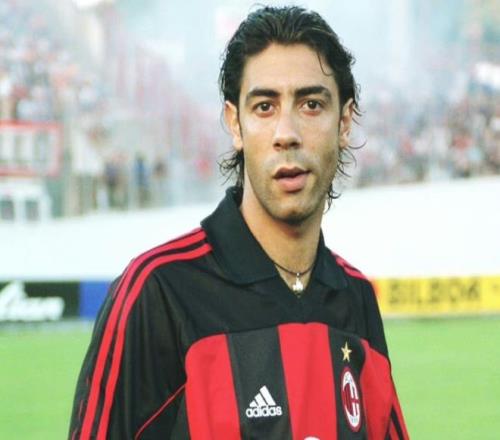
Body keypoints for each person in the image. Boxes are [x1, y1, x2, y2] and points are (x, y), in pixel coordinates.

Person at [69, 6, 409, 439]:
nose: (286, 133)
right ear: (235, 124)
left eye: (311, 105)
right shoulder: (158, 291)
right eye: (265, 106)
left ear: (343, 122)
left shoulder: (355, 298)